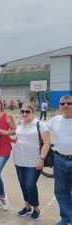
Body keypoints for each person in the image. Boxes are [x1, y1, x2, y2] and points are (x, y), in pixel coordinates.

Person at [13, 103, 50, 221]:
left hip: (34, 161)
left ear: (33, 112)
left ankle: (36, 208)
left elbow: (47, 143)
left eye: (27, 111)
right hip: (18, 160)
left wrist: (41, 159)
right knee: (23, 184)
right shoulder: (20, 124)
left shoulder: (40, 125)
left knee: (30, 184)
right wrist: (3, 136)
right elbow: (18, 139)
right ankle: (27, 206)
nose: (24, 114)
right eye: (22, 111)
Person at [46, 95, 72, 225]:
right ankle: (67, 219)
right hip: (59, 159)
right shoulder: (55, 120)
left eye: (69, 103)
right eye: (63, 103)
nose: (65, 106)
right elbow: (40, 128)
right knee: (61, 191)